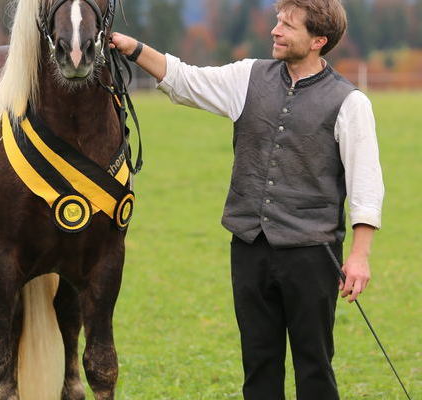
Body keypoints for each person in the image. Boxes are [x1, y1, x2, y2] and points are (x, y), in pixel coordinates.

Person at [110, 0, 384, 399]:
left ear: (317, 41)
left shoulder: (350, 103)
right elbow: (186, 80)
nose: (275, 30)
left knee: (314, 367)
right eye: (277, 21)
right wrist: (134, 47)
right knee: (258, 366)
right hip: (249, 247)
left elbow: (366, 184)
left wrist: (359, 255)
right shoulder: (247, 77)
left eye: (288, 25)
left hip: (312, 253)